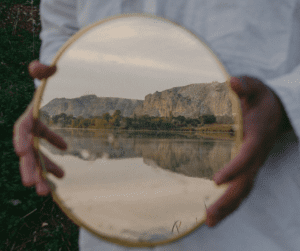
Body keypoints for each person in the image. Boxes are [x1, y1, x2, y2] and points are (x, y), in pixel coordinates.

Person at [13, 0, 300, 250]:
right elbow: (62, 26)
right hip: (112, 224)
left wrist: (285, 101)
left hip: (261, 226)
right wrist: (51, 99)